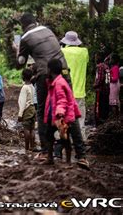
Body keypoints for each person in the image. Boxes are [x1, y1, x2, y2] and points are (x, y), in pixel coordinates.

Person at [16, 13, 69, 161]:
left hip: (46, 75)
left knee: (43, 112)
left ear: (23, 26)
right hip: (64, 71)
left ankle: (46, 150)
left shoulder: (25, 38)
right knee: (66, 108)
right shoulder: (47, 30)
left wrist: (17, 50)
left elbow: (20, 61)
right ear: (35, 22)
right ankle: (74, 150)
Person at [44, 59, 89, 169]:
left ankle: (72, 159)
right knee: (50, 135)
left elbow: (62, 100)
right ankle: (51, 158)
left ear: (50, 69)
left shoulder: (59, 83)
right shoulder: (55, 81)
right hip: (55, 115)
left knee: (67, 137)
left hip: (65, 116)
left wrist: (60, 113)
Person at [60, 31, 89, 139]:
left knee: (64, 117)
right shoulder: (84, 52)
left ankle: (63, 139)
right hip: (80, 92)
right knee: (80, 118)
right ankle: (81, 140)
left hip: (65, 90)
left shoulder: (62, 51)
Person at [18, 68, 36, 151]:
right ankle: (32, 146)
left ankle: (26, 147)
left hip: (27, 109)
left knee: (26, 128)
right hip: (33, 108)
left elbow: (22, 102)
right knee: (32, 128)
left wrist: (20, 114)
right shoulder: (32, 86)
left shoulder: (24, 88)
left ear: (23, 77)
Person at [94, 52, 110, 125]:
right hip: (106, 90)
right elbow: (107, 80)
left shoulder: (100, 66)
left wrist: (95, 85)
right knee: (105, 106)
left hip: (100, 90)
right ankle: (105, 121)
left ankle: (99, 122)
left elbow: (100, 79)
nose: (95, 58)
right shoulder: (106, 66)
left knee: (99, 107)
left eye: (96, 57)